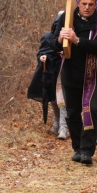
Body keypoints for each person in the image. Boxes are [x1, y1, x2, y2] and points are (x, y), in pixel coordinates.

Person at [50, 0, 97, 165]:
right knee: (73, 113)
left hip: (93, 75)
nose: (87, 7)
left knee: (90, 110)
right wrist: (60, 40)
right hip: (71, 74)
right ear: (78, 2)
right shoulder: (66, 18)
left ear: (95, 5)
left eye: (91, 5)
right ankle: (77, 147)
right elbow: (53, 45)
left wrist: (77, 40)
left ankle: (87, 151)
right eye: (84, 4)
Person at [27, 11, 68, 139]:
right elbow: (42, 52)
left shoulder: (70, 36)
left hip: (65, 73)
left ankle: (63, 127)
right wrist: (42, 58)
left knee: (63, 100)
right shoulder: (48, 37)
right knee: (54, 99)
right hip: (51, 73)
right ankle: (56, 122)